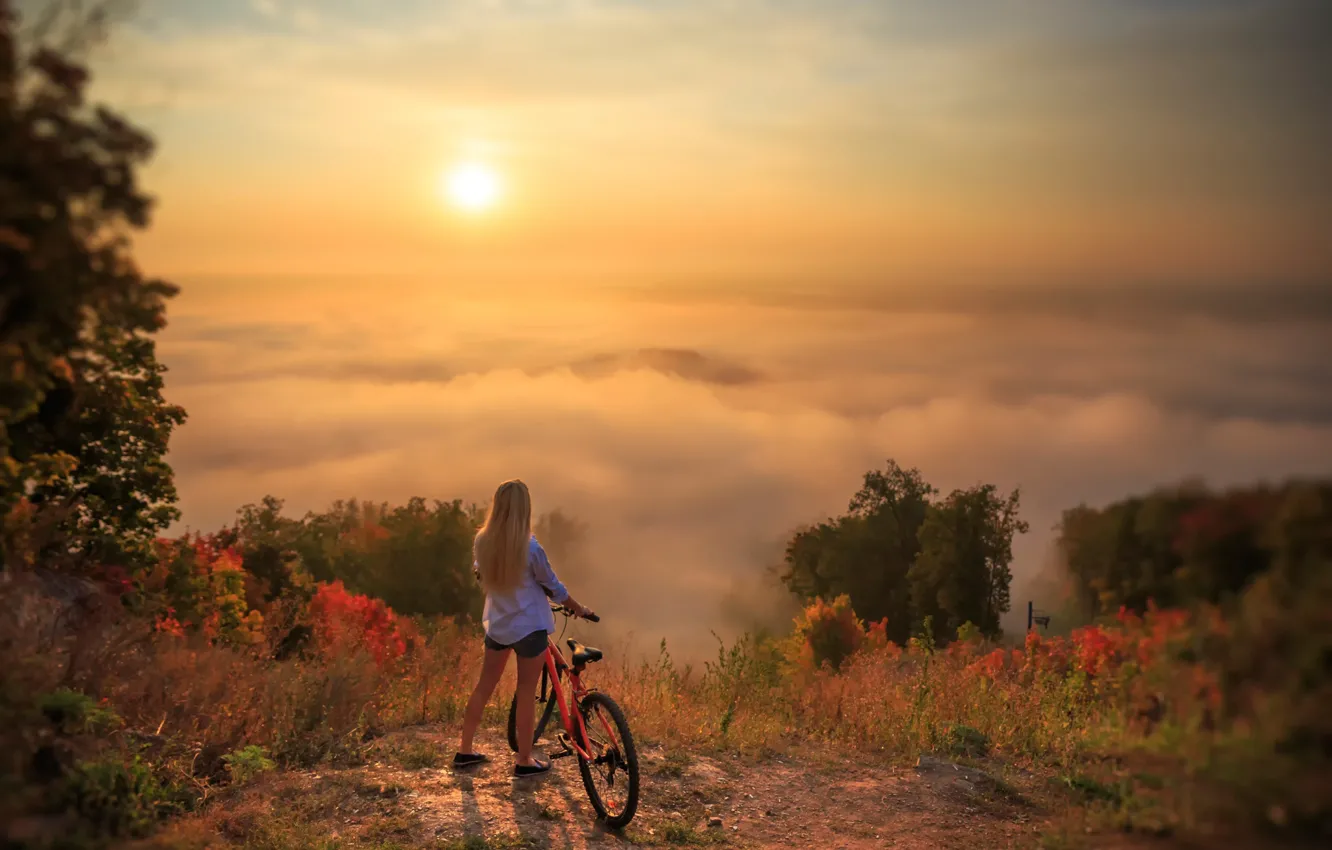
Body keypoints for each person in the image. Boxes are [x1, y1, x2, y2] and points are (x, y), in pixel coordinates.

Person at [454, 479, 594, 777]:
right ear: (524, 510)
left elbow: (479, 571)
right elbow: (553, 587)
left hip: (498, 625)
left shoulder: (482, 539)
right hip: (530, 628)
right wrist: (578, 607)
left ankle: (464, 751)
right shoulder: (530, 548)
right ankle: (525, 760)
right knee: (526, 691)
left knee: (484, 687)